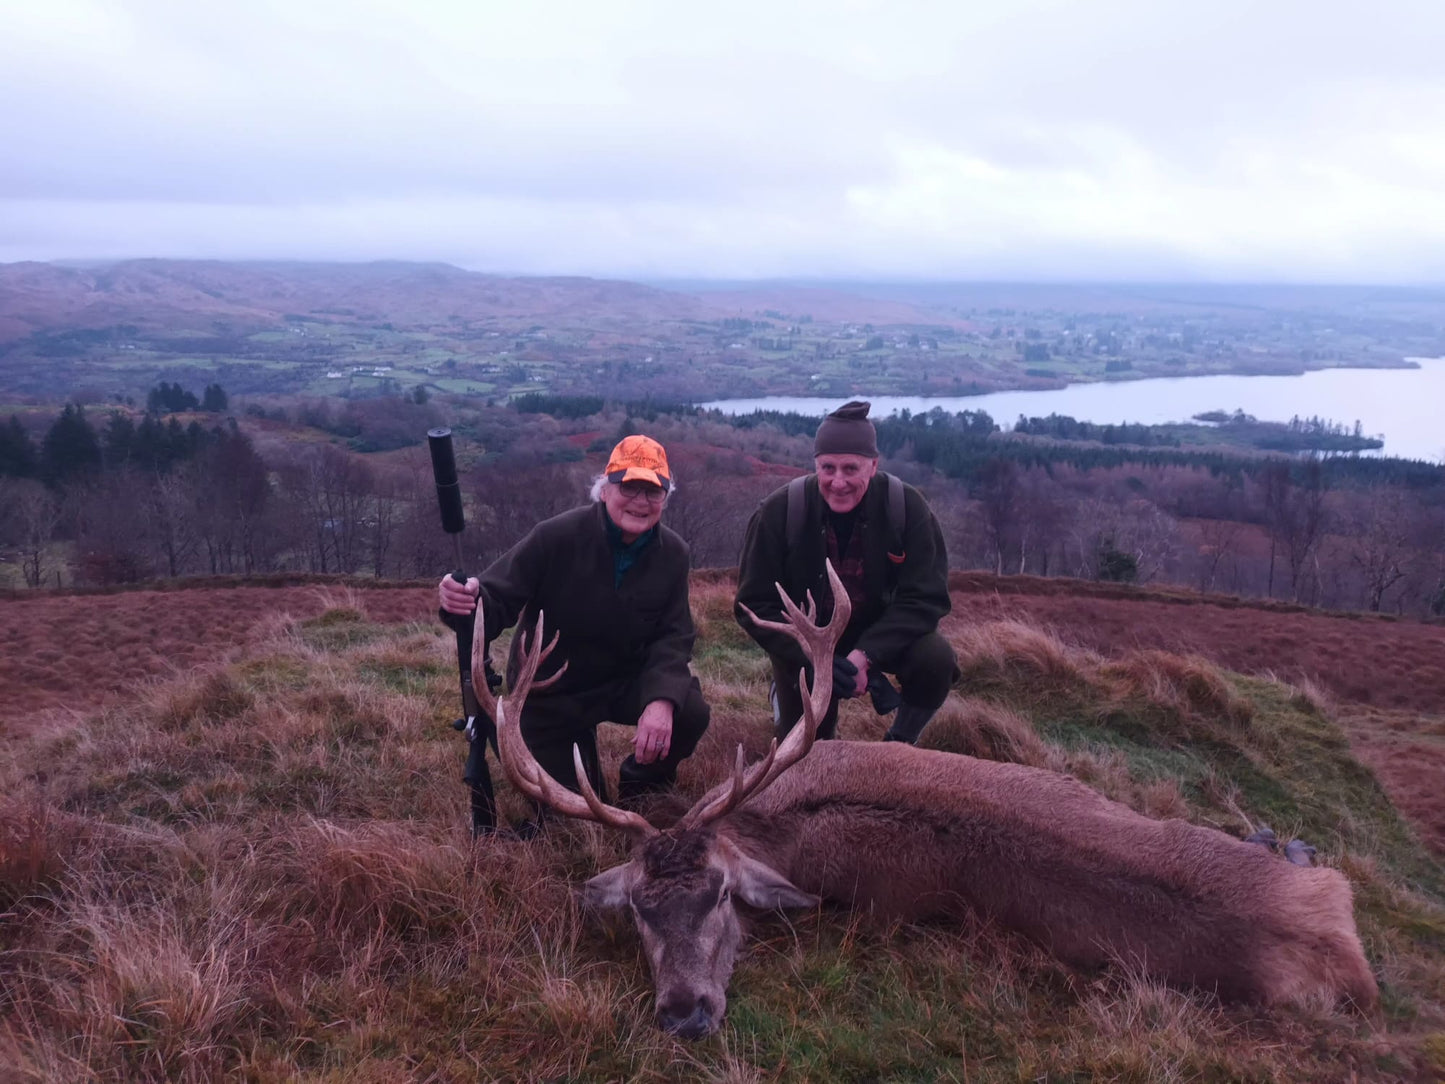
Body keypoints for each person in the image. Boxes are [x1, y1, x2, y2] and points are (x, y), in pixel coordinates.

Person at [439, 434, 710, 814]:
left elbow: (674, 635)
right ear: (605, 490)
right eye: (629, 487)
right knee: (575, 817)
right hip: (550, 694)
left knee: (689, 712)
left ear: (665, 499)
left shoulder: (674, 554)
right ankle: (571, 767)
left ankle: (642, 785)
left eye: (653, 492)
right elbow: (495, 597)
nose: (640, 501)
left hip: (621, 681)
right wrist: (463, 600)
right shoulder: (556, 537)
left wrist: (661, 700)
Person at [734, 400, 957, 745]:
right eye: (828, 468)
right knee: (809, 752)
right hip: (807, 642)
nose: (838, 482)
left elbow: (926, 598)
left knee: (936, 659)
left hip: (881, 632)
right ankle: (785, 695)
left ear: (873, 466)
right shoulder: (779, 513)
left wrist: (865, 656)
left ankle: (900, 742)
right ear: (815, 465)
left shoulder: (907, 509)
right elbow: (752, 605)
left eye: (851, 469)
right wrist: (811, 657)